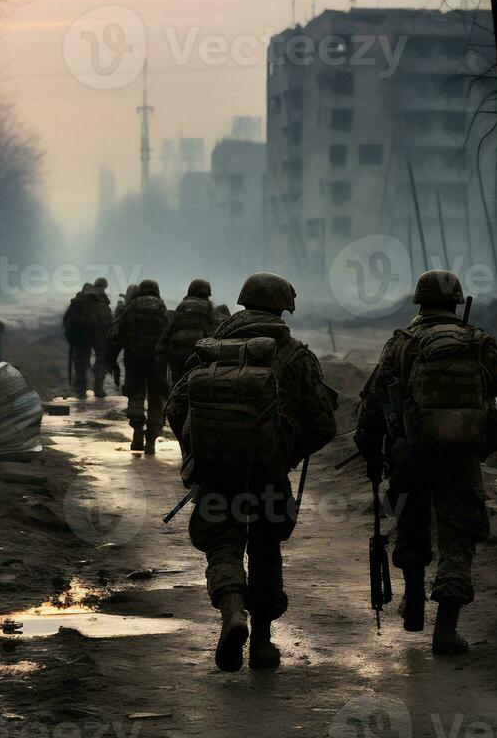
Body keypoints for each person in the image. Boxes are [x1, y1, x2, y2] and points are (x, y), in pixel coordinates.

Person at [167, 271, 337, 671]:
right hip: (268, 475)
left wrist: (196, 452)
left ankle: (232, 613)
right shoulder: (296, 355)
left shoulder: (211, 351)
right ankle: (262, 643)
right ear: (284, 308)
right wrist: (286, 453)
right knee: (265, 548)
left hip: (215, 472)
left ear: (242, 302)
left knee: (222, 543)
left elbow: (175, 407)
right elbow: (324, 425)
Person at [354, 269, 497, 654]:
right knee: (458, 537)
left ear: (419, 301)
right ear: (457, 301)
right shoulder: (478, 342)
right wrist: (482, 438)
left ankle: (413, 602)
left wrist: (374, 455)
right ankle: (446, 628)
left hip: (408, 458)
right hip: (460, 458)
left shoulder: (400, 343)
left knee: (411, 526)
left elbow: (371, 408)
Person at [106, 279, 169, 453]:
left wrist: (111, 358)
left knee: (136, 395)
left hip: (134, 358)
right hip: (157, 361)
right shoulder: (162, 308)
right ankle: (151, 442)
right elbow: (169, 333)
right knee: (156, 398)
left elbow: (117, 333)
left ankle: (137, 436)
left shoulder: (132, 306)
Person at [156, 279, 217, 387]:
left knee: (178, 386)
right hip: (197, 356)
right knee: (196, 387)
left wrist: (161, 349)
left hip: (177, 356)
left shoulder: (182, 306)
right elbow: (213, 333)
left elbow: (169, 330)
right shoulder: (208, 307)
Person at [62, 284, 101, 397]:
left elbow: (66, 320)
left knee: (80, 365)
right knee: (85, 363)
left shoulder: (76, 303)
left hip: (80, 339)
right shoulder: (93, 303)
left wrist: (71, 337)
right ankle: (93, 389)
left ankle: (81, 391)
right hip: (88, 338)